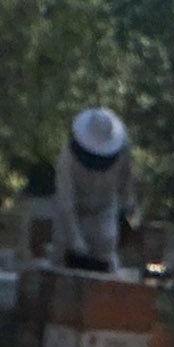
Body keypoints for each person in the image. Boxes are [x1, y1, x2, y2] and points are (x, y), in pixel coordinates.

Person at [52, 107, 134, 272]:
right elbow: (65, 202)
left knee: (106, 254)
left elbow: (126, 184)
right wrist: (76, 241)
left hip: (104, 210)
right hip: (73, 211)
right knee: (63, 261)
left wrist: (127, 208)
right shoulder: (67, 157)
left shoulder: (123, 151)